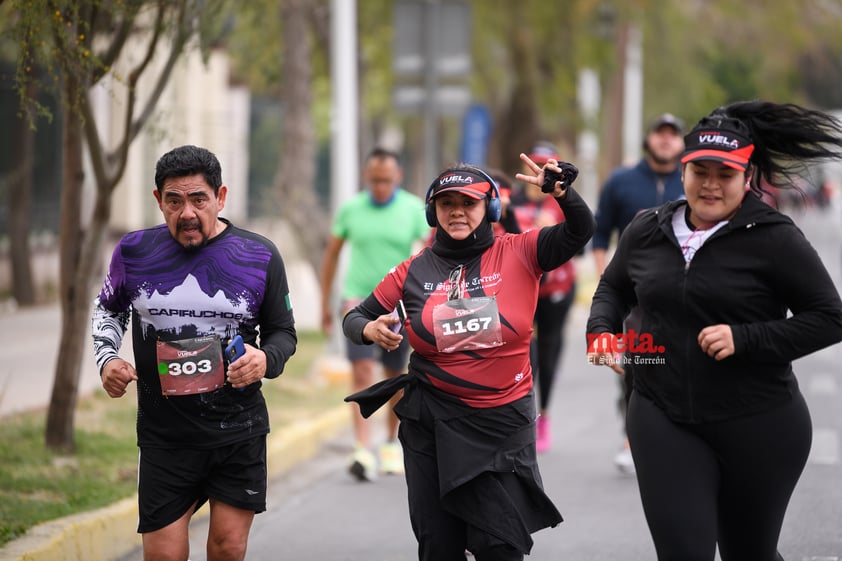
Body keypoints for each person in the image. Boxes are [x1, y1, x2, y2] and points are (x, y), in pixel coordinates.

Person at [586, 100, 842, 560]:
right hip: (661, 413)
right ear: (682, 171)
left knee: (750, 552)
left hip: (759, 422)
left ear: (747, 178)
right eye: (700, 170)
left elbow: (830, 317)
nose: (710, 184)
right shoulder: (647, 229)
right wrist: (601, 331)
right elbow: (613, 288)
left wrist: (745, 339)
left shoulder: (775, 238)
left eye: (725, 174)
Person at [343, 157, 594, 560]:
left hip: (502, 422)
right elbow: (355, 317)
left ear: (490, 209)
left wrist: (561, 192)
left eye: (469, 202)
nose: (457, 211)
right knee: (438, 547)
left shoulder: (522, 251)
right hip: (432, 424)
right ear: (432, 211)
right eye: (446, 204)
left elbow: (581, 231)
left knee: (500, 547)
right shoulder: (412, 272)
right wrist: (368, 329)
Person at [91, 145, 297, 561]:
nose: (186, 212)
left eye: (198, 199)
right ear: (158, 201)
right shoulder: (134, 252)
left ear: (220, 198)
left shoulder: (258, 256)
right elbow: (108, 310)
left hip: (237, 431)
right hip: (165, 436)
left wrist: (264, 360)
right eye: (174, 201)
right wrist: (107, 359)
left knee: (226, 548)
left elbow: (283, 334)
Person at [319, 147, 429, 481]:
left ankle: (390, 443)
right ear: (366, 176)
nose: (380, 186)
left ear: (398, 176)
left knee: (395, 376)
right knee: (362, 372)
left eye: (386, 179)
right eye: (374, 179)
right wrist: (326, 302)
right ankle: (362, 448)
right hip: (358, 303)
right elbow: (333, 255)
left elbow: (428, 255)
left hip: (398, 303)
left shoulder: (413, 209)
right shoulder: (351, 209)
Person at [591, 113, 686, 472]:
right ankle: (633, 437)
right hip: (633, 291)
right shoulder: (622, 181)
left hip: (685, 290)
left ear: (681, 143)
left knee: (678, 360)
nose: (665, 140)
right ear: (648, 139)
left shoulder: (691, 180)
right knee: (636, 363)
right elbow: (600, 234)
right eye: (659, 134)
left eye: (673, 135)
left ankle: (676, 435)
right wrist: (606, 279)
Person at [509, 141, 578, 453]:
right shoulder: (512, 200)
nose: (538, 169)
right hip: (524, 287)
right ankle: (522, 414)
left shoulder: (561, 197)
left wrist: (555, 230)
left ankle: (544, 417)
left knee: (548, 352)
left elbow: (583, 237)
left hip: (557, 289)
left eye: (546, 164)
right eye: (533, 162)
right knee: (523, 351)